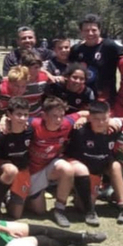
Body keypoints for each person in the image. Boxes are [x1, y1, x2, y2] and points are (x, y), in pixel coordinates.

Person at [65, 101, 123, 226]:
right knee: (81, 207)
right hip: (86, 172)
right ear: (90, 118)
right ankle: (87, 201)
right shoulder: (79, 131)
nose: (101, 123)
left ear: (110, 116)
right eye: (96, 119)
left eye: (104, 119)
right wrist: (82, 118)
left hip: (104, 166)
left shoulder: (114, 128)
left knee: (116, 166)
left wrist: (115, 121)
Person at [24, 97, 88, 228]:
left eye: (61, 116)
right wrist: (3, 121)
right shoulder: (34, 123)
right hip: (32, 171)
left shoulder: (66, 122)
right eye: (54, 116)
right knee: (39, 211)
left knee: (67, 169)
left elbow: (86, 112)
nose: (59, 120)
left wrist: (83, 118)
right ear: (44, 115)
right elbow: (14, 118)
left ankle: (59, 210)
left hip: (50, 166)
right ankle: (23, 198)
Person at [0, 98, 33, 219]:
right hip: (3, 168)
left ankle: (9, 196)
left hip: (22, 170)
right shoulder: (0, 132)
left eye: (25, 115)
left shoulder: (30, 129)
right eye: (18, 114)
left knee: (16, 215)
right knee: (11, 171)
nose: (22, 118)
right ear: (9, 114)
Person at [69, 14, 123, 104]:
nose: (90, 33)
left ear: (100, 30)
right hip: (81, 99)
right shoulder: (76, 49)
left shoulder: (110, 46)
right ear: (81, 32)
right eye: (86, 30)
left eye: (94, 30)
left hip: (105, 99)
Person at [21, 51, 51, 117]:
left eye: (39, 67)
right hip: (20, 115)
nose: (38, 70)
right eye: (36, 67)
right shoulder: (18, 80)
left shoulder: (44, 78)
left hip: (37, 114)